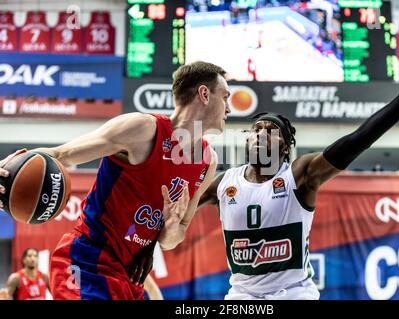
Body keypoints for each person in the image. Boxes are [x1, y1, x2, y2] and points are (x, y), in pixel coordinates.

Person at [149, 49, 399, 300]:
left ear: (285, 148)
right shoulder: (223, 182)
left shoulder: (300, 175)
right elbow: (169, 221)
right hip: (241, 296)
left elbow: (358, 139)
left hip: (292, 293)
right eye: (256, 131)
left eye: (271, 132)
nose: (260, 136)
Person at [0, 61, 230, 300]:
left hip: (129, 276)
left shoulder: (207, 161)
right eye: (225, 97)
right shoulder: (142, 130)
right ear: (204, 94)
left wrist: (171, 226)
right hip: (87, 262)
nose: (228, 108)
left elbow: (173, 238)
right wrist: (9, 166)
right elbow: (62, 154)